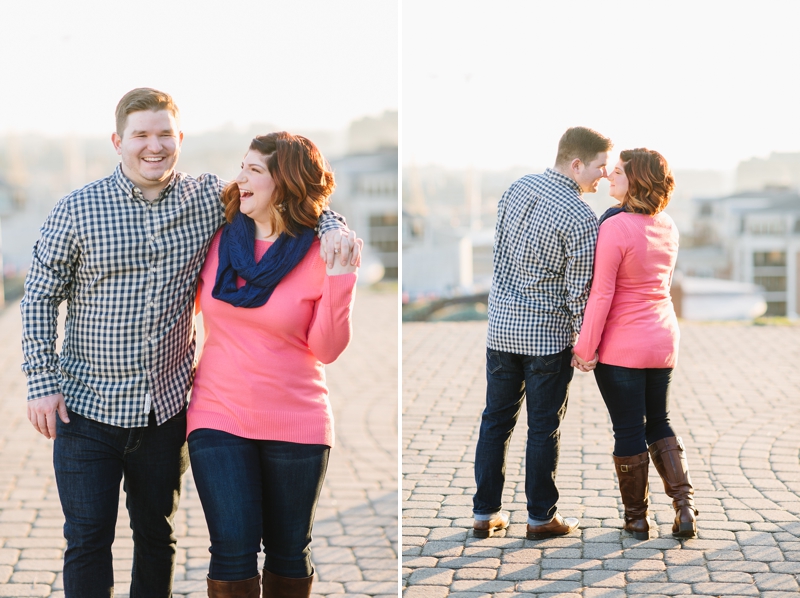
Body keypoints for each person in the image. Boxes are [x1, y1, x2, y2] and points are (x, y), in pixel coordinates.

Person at [20, 88, 359, 598]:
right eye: (140, 135)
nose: (152, 146)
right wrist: (41, 383)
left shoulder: (207, 201)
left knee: (157, 536)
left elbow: (290, 192)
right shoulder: (77, 210)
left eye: (164, 134)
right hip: (86, 408)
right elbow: (39, 296)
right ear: (118, 141)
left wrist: (332, 227)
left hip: (165, 411)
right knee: (87, 539)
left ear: (180, 139)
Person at [186, 132, 359, 597]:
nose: (240, 177)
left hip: (296, 420)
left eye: (254, 170)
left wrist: (341, 281)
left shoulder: (324, 252)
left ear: (283, 182)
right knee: (231, 550)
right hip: (217, 414)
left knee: (287, 551)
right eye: (242, 167)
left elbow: (326, 349)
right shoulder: (219, 237)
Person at [473, 126, 611, 539]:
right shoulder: (581, 217)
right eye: (600, 167)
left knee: (494, 422)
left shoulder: (516, 189)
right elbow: (579, 292)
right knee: (542, 428)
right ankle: (540, 518)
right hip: (546, 340)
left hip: (501, 331)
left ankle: (485, 513)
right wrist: (586, 344)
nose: (602, 176)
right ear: (576, 164)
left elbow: (499, 256)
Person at [572, 148, 697, 540]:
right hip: (662, 339)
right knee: (658, 421)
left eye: (620, 172)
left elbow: (602, 294)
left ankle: (636, 519)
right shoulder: (668, 226)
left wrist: (585, 347)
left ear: (637, 180)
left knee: (628, 429)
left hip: (623, 345)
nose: (610, 175)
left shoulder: (615, 227)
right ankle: (684, 507)